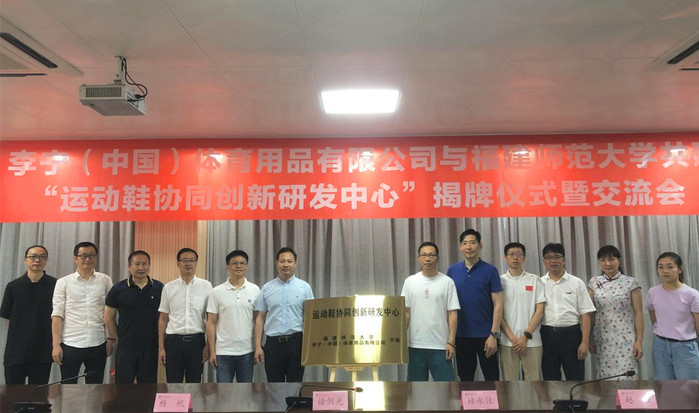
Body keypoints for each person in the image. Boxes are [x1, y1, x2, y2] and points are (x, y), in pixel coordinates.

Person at [51, 242, 113, 383]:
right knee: (68, 387)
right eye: (83, 256)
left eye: (91, 256)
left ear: (96, 257)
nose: (88, 259)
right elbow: (57, 315)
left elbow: (110, 312)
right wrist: (56, 345)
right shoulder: (63, 282)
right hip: (71, 343)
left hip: (98, 342)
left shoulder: (105, 280)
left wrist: (111, 338)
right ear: (75, 258)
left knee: (96, 386)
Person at [447, 229, 503, 381]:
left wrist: (493, 334)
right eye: (465, 243)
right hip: (461, 335)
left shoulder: (491, 271)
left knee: (492, 379)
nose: (469, 247)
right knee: (465, 380)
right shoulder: (452, 271)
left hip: (486, 336)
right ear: (460, 247)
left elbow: (498, 304)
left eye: (472, 243)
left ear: (480, 245)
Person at [401, 241, 460, 381]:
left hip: (440, 345)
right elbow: (406, 312)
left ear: (437, 258)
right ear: (419, 258)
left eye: (431, 255)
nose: (427, 259)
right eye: (424, 255)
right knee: (416, 388)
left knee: (447, 388)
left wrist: (451, 342)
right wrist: (401, 339)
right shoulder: (410, 282)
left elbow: (452, 313)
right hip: (415, 344)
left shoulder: (447, 282)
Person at [254, 247, 314, 382]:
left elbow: (311, 317)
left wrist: (310, 345)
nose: (286, 264)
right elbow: (260, 318)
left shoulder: (304, 287)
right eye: (282, 261)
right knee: (274, 386)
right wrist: (258, 346)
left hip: (296, 342)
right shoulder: (267, 288)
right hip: (273, 343)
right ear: (276, 263)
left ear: (295, 264)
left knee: (295, 384)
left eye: (289, 261)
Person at [104, 250, 163, 383]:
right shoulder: (118, 289)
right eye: (137, 264)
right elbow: (108, 318)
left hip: (150, 347)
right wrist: (117, 338)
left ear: (149, 266)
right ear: (129, 267)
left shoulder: (159, 288)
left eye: (144, 264)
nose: (141, 267)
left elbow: (164, 318)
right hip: (126, 348)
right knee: (123, 389)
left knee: (148, 389)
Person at [1, 245, 57, 384]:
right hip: (16, 351)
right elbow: (8, 317)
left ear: (46, 260)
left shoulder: (56, 285)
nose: (37, 260)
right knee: (13, 393)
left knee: (39, 393)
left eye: (42, 257)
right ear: (25, 260)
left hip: (43, 350)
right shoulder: (13, 286)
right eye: (33, 257)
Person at [540, 243, 595, 381]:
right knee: (550, 379)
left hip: (572, 335)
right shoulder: (539, 283)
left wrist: (584, 342)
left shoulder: (577, 283)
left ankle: (576, 397)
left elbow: (586, 314)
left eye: (557, 257)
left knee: (575, 378)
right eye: (549, 257)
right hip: (547, 336)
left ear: (564, 260)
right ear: (544, 261)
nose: (553, 261)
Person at [587, 245, 643, 379]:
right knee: (605, 376)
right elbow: (589, 312)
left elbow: (638, 313)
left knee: (626, 376)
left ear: (619, 260)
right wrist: (589, 338)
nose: (607, 264)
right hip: (602, 337)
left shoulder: (631, 282)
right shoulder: (594, 282)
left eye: (611, 259)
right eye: (603, 260)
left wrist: (639, 341)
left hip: (626, 337)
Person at [158, 248, 212, 383]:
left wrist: (209, 345)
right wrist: (161, 347)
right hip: (173, 342)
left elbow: (210, 318)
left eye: (192, 260)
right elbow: (163, 319)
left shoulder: (206, 286)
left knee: (194, 383)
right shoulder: (168, 287)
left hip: (197, 342)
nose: (188, 263)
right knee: (173, 383)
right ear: (178, 263)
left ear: (196, 263)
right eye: (184, 260)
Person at [207, 250, 260, 383]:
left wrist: (258, 346)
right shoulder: (217, 291)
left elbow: (258, 320)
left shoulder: (255, 290)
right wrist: (212, 351)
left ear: (246, 266)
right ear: (228, 266)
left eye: (242, 263)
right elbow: (211, 322)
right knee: (223, 392)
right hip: (223, 352)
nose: (238, 266)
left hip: (247, 351)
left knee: (245, 392)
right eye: (234, 263)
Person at [646, 252, 699, 380]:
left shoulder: (691, 294)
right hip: (660, 345)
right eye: (661, 267)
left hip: (685, 346)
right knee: (664, 386)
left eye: (670, 267)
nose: (665, 271)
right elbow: (652, 313)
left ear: (679, 269)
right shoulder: (653, 292)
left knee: (688, 387)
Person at [499, 242, 546, 381]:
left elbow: (539, 311)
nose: (515, 258)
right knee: (509, 384)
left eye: (519, 254)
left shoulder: (535, 280)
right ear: (505, 257)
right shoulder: (499, 281)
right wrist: (514, 339)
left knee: (534, 383)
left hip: (532, 341)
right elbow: (497, 312)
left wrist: (525, 337)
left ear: (524, 258)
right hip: (507, 342)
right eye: (511, 254)